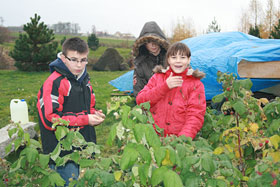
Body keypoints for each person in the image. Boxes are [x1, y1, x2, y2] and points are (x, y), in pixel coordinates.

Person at [37, 37, 105, 186]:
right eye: (74, 59)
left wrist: (94, 113)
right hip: (61, 152)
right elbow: (51, 119)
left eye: (83, 60)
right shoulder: (54, 83)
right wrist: (86, 119)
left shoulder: (85, 81)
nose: (79, 65)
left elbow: (88, 107)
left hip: (81, 146)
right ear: (63, 57)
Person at [136, 42, 206, 139]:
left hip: (176, 140)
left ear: (189, 60)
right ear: (168, 60)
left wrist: (182, 140)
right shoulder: (157, 77)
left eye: (182, 57)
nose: (178, 61)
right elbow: (141, 101)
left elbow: (195, 115)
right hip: (153, 137)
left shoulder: (195, 85)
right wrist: (164, 87)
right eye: (174, 57)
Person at [132, 21, 170, 97]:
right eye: (149, 42)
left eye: (155, 41)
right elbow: (139, 93)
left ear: (160, 42)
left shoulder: (172, 59)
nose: (153, 45)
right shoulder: (140, 64)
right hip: (151, 102)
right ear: (144, 44)